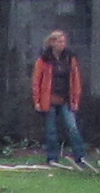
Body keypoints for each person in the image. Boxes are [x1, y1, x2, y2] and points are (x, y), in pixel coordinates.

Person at [31, 27, 85, 163]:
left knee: (72, 128)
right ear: (53, 43)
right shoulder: (43, 60)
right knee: (51, 131)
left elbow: (76, 80)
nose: (63, 44)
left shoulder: (70, 58)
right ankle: (52, 158)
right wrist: (37, 100)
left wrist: (75, 99)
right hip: (49, 100)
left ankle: (80, 156)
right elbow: (36, 81)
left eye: (64, 41)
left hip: (66, 99)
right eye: (60, 42)